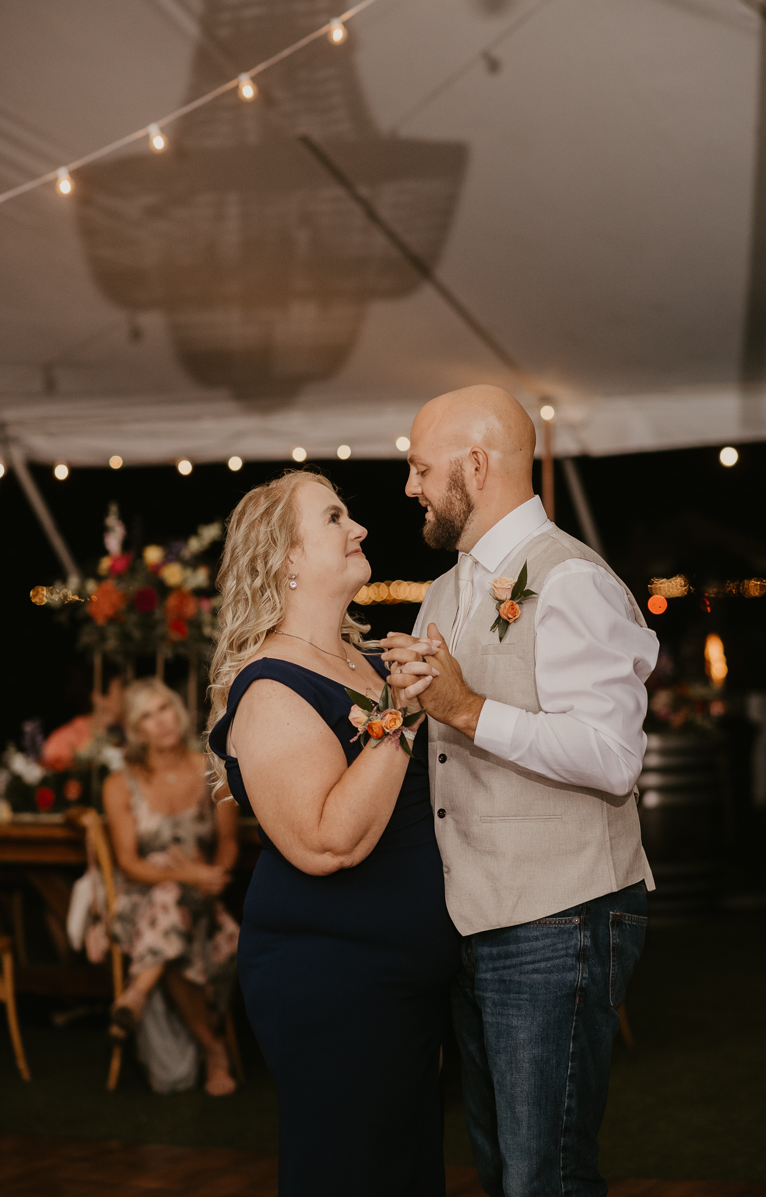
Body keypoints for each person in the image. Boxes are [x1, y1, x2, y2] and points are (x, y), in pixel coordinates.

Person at [382, 384, 659, 1197]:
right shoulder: (443, 590)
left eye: (420, 467)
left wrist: (466, 709)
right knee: (504, 1165)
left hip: (559, 913)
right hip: (474, 914)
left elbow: (613, 756)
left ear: (477, 462)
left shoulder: (572, 580)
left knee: (547, 1173)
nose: (409, 487)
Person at [206, 470, 460, 1196]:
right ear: (285, 558)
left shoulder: (377, 660)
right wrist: (402, 718)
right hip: (331, 978)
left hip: (404, 979)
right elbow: (327, 843)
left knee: (406, 1173)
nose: (360, 528)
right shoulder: (271, 686)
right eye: (334, 518)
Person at [103, 677, 240, 1097]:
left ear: (177, 712)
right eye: (146, 715)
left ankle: (137, 991)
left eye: (163, 708)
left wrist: (211, 878)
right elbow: (128, 863)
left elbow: (229, 846)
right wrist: (186, 875)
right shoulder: (118, 784)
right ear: (135, 728)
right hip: (140, 904)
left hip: (201, 899)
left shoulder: (212, 769)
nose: (159, 721)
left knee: (180, 908)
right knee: (169, 898)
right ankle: (214, 1049)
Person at [41, 669, 125, 772]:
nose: (129, 692)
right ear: (99, 698)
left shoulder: (134, 733)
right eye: (121, 687)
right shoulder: (62, 740)